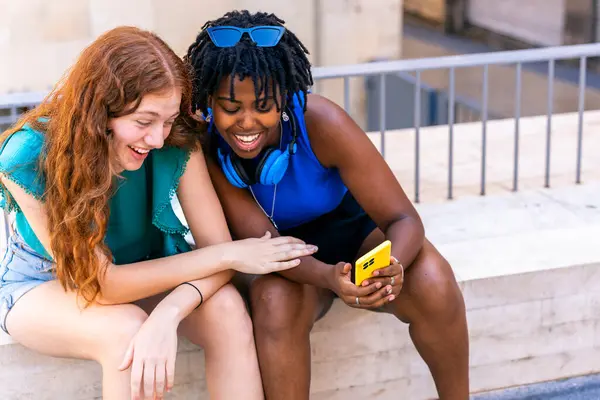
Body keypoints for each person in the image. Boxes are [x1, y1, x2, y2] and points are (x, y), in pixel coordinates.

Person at [0, 26, 318, 400]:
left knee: (227, 310)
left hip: (146, 266)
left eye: (166, 121)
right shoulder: (27, 155)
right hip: (48, 284)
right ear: (100, 110)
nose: (157, 138)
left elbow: (218, 260)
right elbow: (104, 285)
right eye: (144, 121)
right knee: (128, 332)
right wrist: (231, 253)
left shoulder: (173, 137)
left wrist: (170, 311)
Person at [186, 10, 469, 400]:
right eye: (230, 108)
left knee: (433, 279)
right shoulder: (208, 145)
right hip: (276, 256)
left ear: (284, 98)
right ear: (211, 104)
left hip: (353, 236)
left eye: (263, 106)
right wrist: (328, 279)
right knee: (274, 303)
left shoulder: (321, 121)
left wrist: (392, 267)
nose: (246, 122)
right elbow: (264, 244)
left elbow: (403, 218)